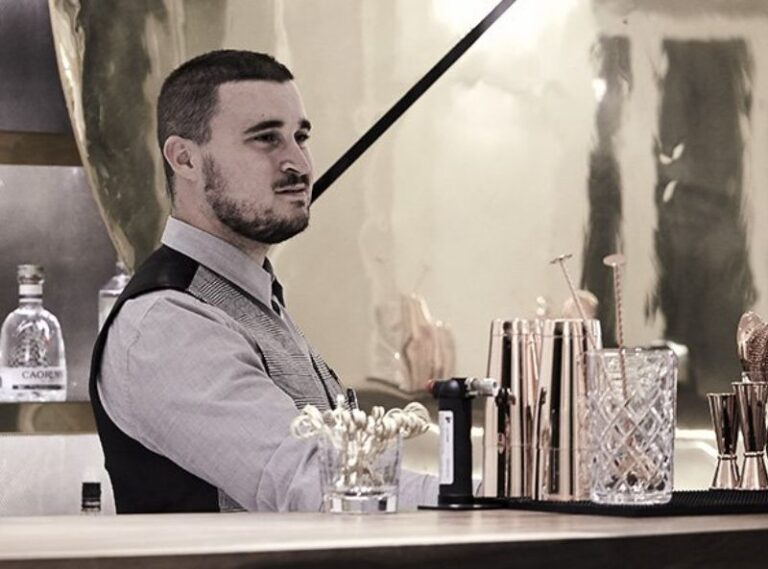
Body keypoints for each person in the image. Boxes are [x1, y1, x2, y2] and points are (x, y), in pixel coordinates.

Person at [89, 49, 437, 513]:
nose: (299, 164)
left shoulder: (252, 298)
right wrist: (479, 499)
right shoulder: (165, 323)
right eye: (266, 139)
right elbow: (309, 483)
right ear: (185, 159)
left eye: (300, 137)